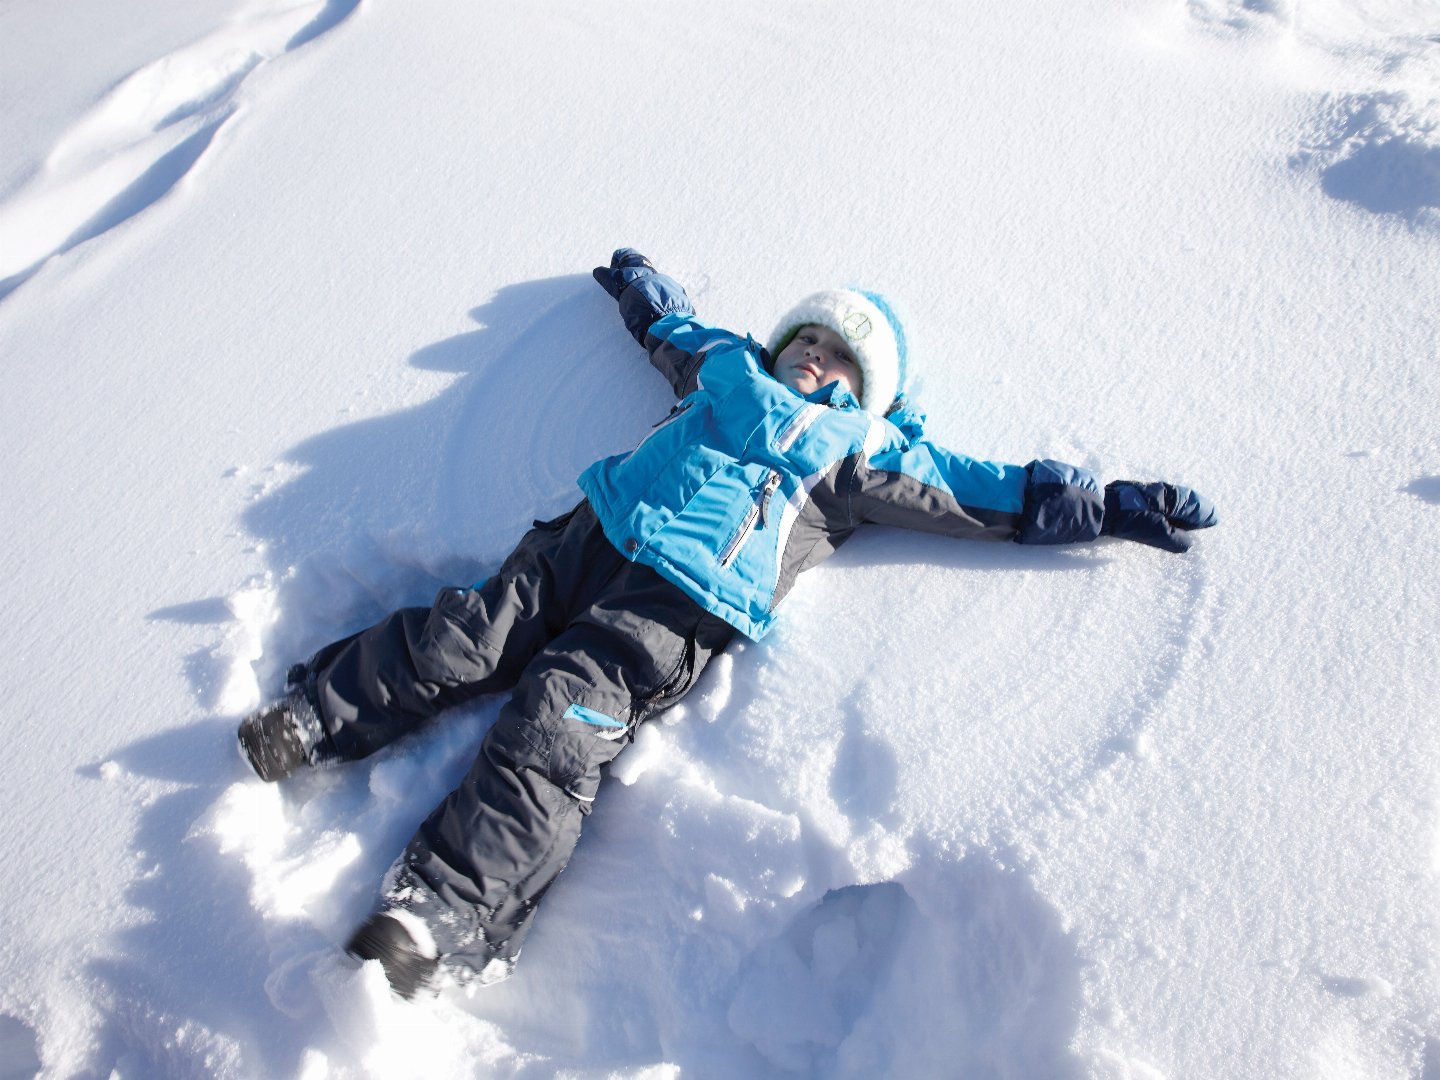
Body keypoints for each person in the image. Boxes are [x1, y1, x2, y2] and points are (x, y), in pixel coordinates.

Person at [237, 249, 1218, 998]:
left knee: (557, 723)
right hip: (586, 537)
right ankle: (320, 715)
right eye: (808, 339)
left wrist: (1107, 503)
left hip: (678, 609)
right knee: (467, 634)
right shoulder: (727, 368)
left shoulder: (864, 447)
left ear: (866, 388)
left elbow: (981, 491)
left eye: (839, 357)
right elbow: (672, 328)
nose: (817, 358)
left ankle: (441, 912)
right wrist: (639, 288)